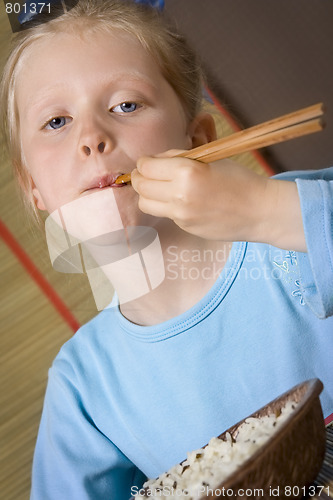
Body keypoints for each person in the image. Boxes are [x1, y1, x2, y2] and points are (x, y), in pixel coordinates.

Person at [0, 0, 332, 498]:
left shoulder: (290, 223)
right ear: (34, 189)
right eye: (56, 122)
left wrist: (267, 210)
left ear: (196, 137)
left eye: (125, 105)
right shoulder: (85, 388)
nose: (92, 137)